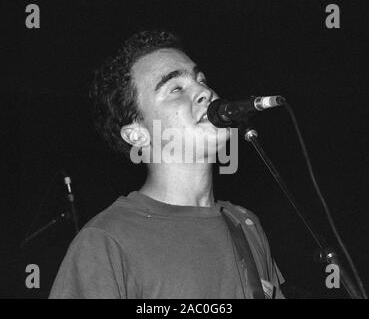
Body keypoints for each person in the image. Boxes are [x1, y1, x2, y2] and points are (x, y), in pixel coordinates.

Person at [49, 30, 285, 299]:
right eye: (175, 89)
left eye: (201, 79)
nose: (205, 92)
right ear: (137, 134)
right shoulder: (104, 241)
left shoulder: (245, 224)